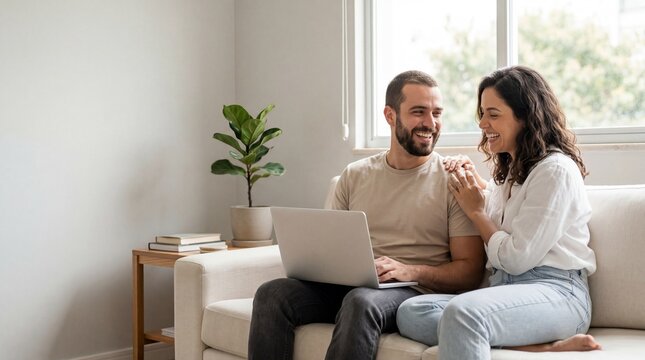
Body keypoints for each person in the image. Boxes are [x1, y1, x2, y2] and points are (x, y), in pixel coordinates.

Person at [247, 70, 486, 360]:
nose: (431, 123)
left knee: (360, 301)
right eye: (418, 112)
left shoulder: (453, 180)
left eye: (437, 113)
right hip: (353, 288)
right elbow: (329, 246)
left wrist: (410, 271)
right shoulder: (356, 175)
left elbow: (470, 272)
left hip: (413, 291)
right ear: (390, 115)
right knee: (272, 294)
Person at [396, 65, 602, 359]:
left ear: (525, 117)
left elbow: (515, 258)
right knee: (411, 312)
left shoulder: (555, 171)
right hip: (505, 291)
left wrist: (476, 211)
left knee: (464, 314)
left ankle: (490, 332)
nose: (482, 124)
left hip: (558, 293)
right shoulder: (509, 175)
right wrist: (471, 182)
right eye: (481, 113)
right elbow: (502, 218)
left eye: (493, 114)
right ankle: (538, 346)